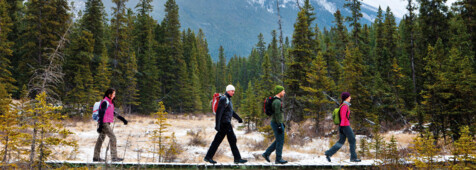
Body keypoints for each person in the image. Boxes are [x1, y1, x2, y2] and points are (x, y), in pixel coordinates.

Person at [204, 85, 247, 164]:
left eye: (234, 91)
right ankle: (208, 157)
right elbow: (219, 113)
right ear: (227, 91)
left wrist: (238, 118)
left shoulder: (228, 99)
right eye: (232, 91)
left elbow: (231, 112)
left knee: (229, 140)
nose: (233, 93)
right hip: (224, 124)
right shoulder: (224, 99)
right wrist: (217, 125)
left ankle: (236, 158)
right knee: (223, 141)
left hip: (226, 123)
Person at [93, 88, 128, 162]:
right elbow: (101, 114)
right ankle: (114, 157)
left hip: (105, 123)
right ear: (109, 95)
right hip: (104, 123)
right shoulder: (105, 102)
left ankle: (96, 157)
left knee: (100, 140)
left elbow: (113, 113)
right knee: (113, 137)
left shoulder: (110, 103)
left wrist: (123, 119)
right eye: (114, 94)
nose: (115, 95)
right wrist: (100, 125)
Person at [324, 92, 361, 162]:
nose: (350, 98)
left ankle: (328, 153)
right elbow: (343, 117)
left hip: (342, 126)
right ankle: (353, 158)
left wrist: (341, 128)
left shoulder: (343, 105)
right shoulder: (344, 106)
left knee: (341, 141)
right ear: (346, 98)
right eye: (349, 97)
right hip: (345, 126)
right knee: (352, 140)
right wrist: (343, 127)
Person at [262, 85, 288, 164]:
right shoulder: (277, 101)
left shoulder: (277, 100)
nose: (284, 92)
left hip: (277, 122)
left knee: (279, 140)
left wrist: (281, 123)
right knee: (280, 141)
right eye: (283, 91)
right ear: (279, 92)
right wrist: (279, 124)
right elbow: (277, 114)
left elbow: (278, 114)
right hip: (276, 123)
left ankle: (266, 153)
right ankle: (278, 159)